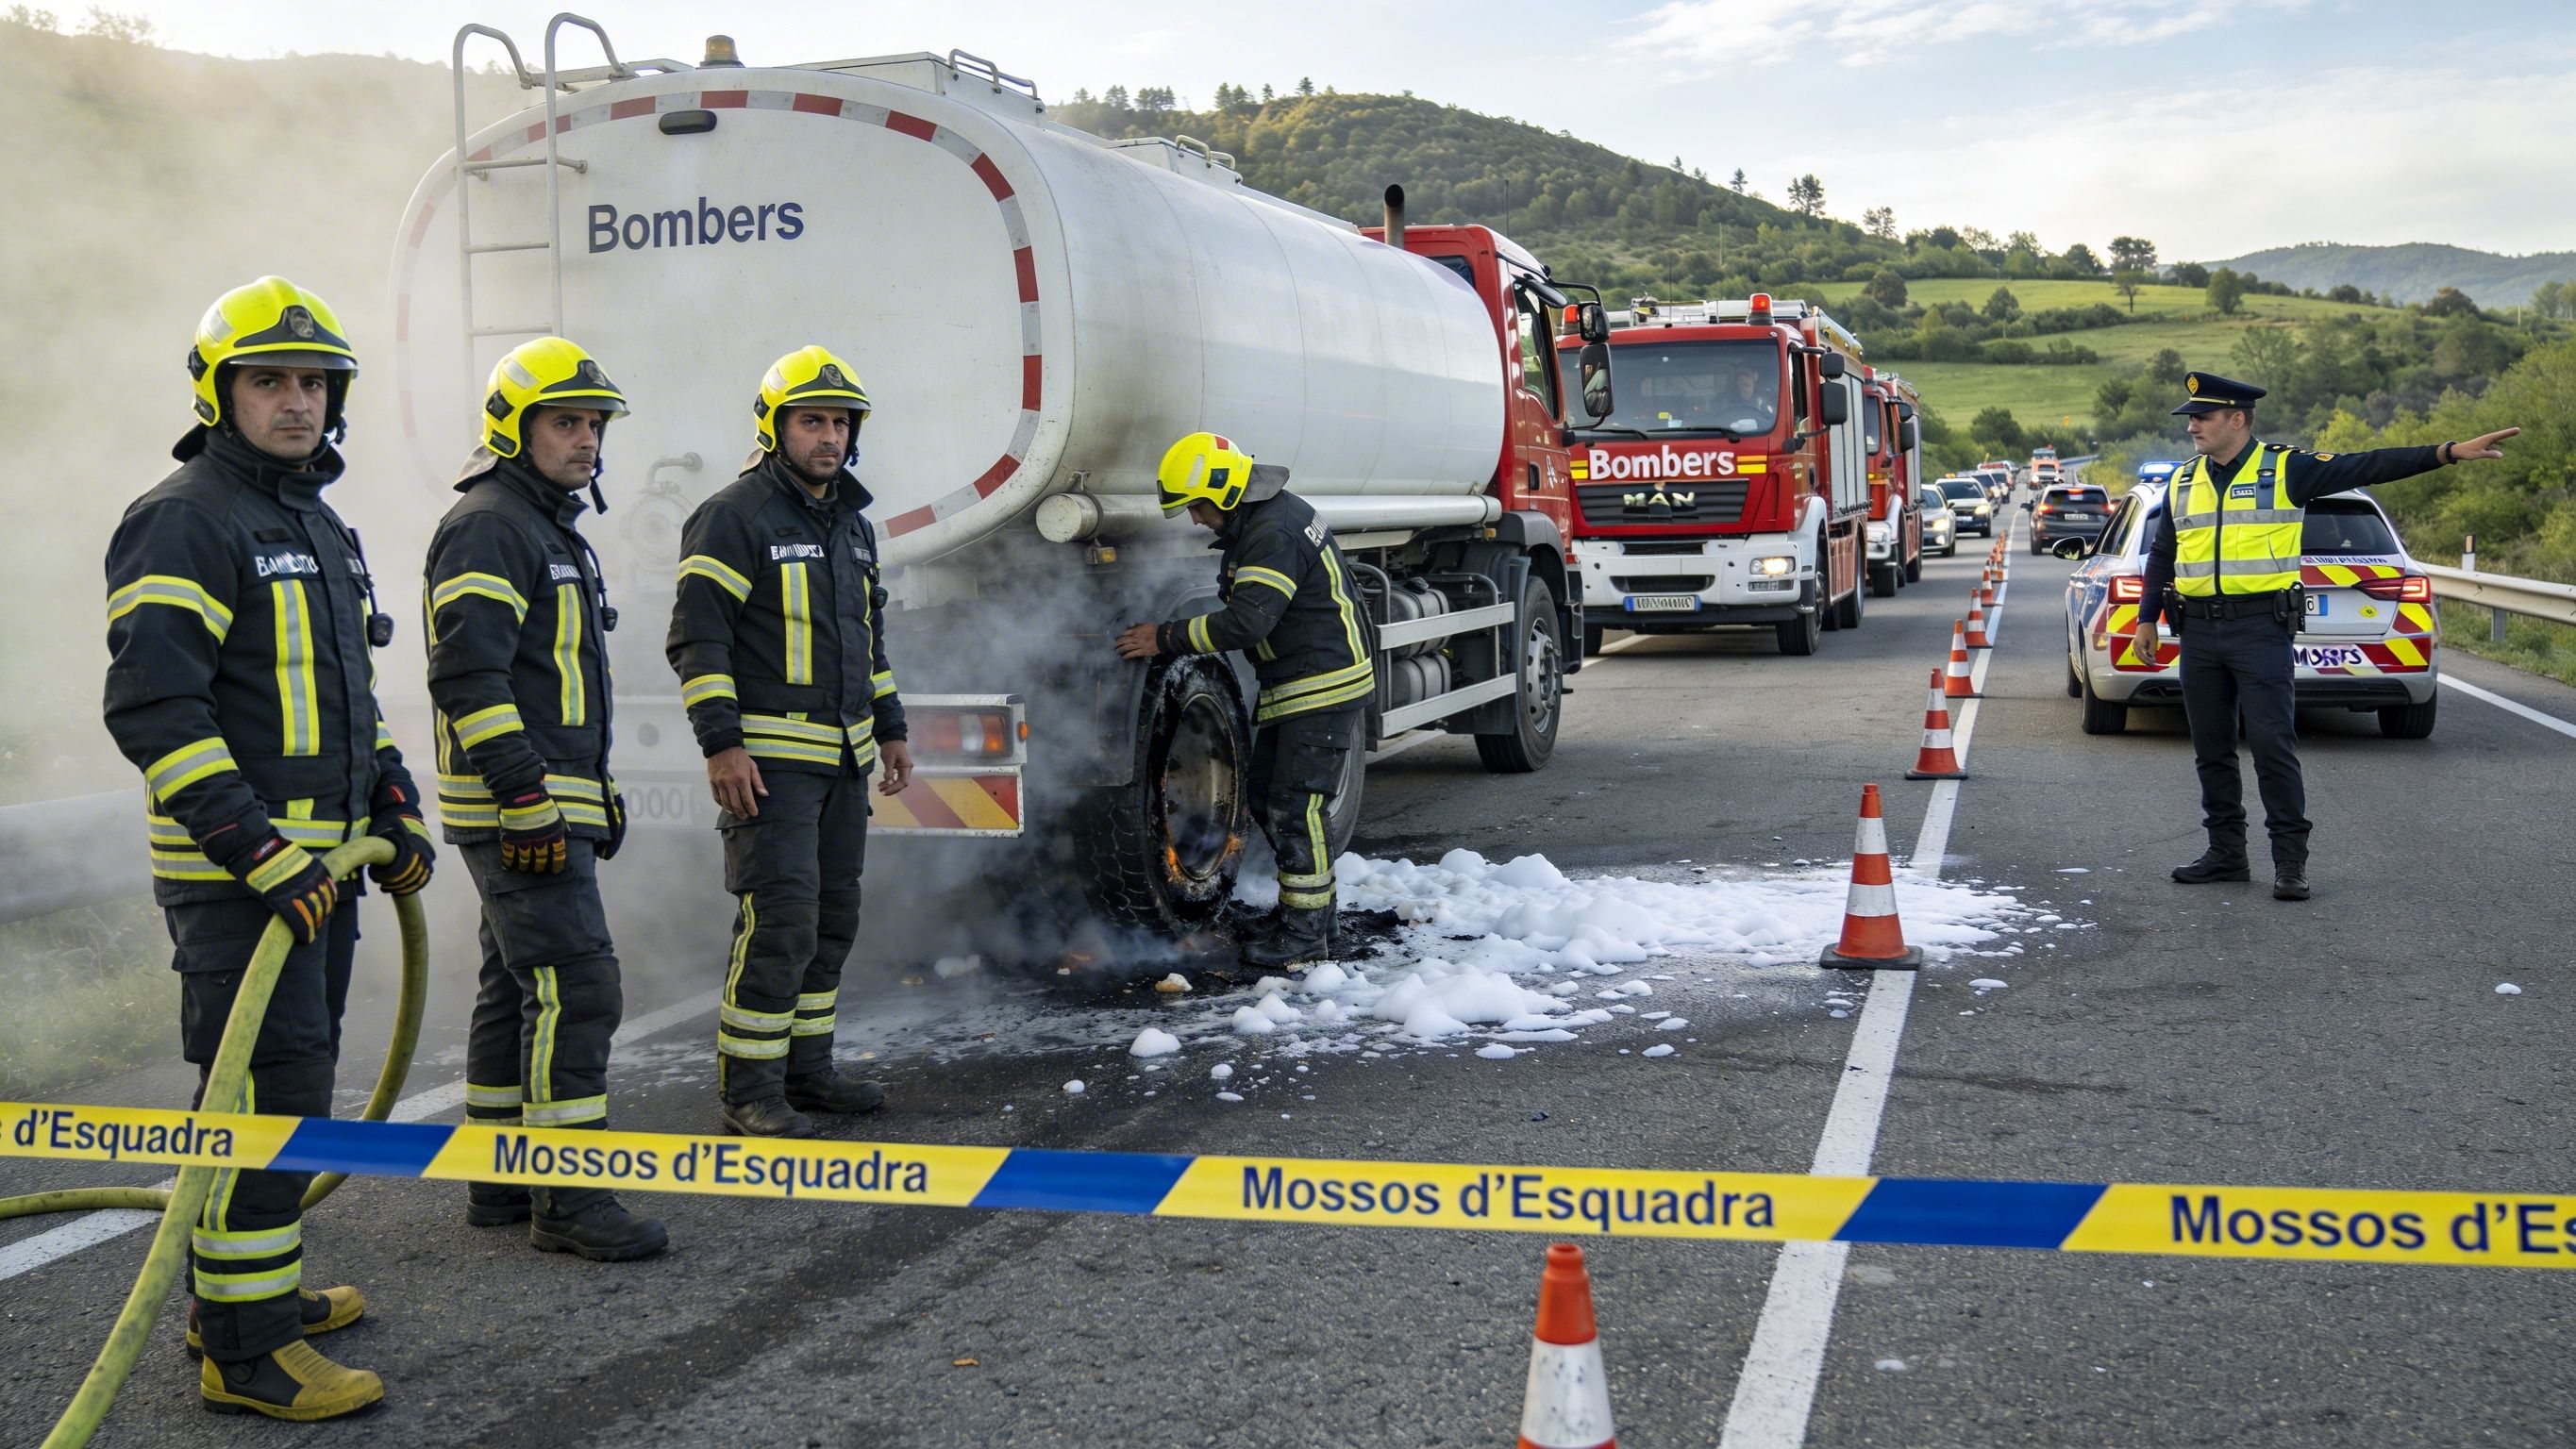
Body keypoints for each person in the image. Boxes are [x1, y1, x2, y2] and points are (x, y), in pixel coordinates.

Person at [103, 276, 436, 1420]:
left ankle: (243, 1298)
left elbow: (345, 696)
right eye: (270, 381)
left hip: (317, 876)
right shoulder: (185, 518)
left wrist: (391, 801)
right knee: (265, 1094)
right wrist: (257, 849)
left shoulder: (313, 521)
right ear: (219, 392)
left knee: (286, 1088)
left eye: (314, 382)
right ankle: (246, 1357)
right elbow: (156, 708)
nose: (298, 401)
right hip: (244, 882)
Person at [422, 337, 667, 1259]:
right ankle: (568, 1198)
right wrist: (525, 793)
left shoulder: (539, 524)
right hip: (518, 808)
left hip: (536, 800)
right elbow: (469, 674)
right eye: (565, 423)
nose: (587, 440)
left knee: (513, 984)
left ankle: (501, 1176)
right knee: (577, 985)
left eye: (595, 424)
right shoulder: (493, 525)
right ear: (512, 429)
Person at [2135, 372, 2517, 900]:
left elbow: (2369, 464)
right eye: (2190, 418)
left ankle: (2290, 862)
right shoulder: (2182, 480)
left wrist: (2448, 452)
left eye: (2202, 417)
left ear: (2237, 419)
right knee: (2212, 750)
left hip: (2259, 630)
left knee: (2272, 747)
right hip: (2197, 630)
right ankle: (2226, 854)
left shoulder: (2285, 468)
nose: (2191, 426)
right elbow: (2163, 553)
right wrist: (2146, 618)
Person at [666, 345, 912, 1138]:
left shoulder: (854, 526)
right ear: (775, 428)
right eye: (812, 421)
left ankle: (809, 1072)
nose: (830, 436)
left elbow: (866, 643)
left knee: (832, 921)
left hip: (842, 763)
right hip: (769, 768)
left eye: (841, 422)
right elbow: (698, 639)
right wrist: (721, 745)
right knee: (780, 923)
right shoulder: (734, 516)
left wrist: (892, 729)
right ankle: (750, 1091)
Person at [1114, 433, 1373, 971]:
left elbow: (1247, 623)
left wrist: (1164, 637)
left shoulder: (1273, 532)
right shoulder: (1267, 519)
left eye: (1197, 507)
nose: (1195, 519)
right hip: (1303, 680)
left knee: (1295, 807)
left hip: (1321, 684)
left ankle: (1306, 934)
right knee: (1266, 795)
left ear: (1227, 493)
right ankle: (1308, 918)